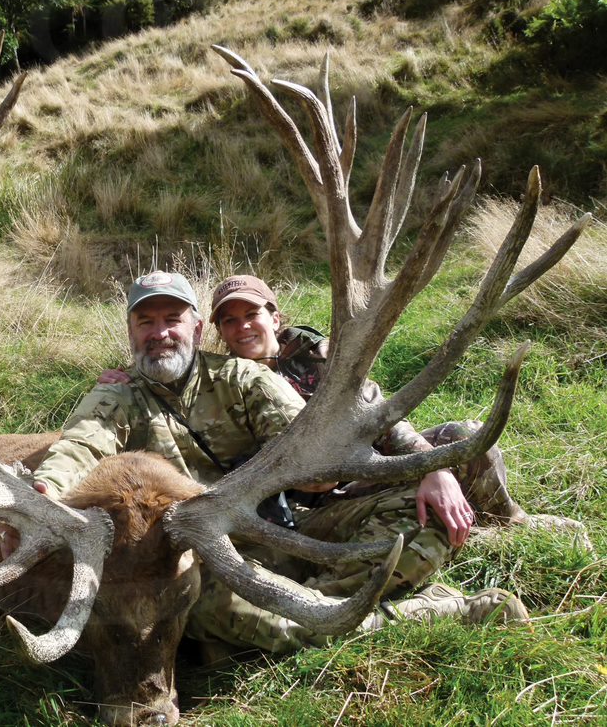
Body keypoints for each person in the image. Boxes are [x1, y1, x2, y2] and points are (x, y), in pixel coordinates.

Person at [34, 270, 527, 656]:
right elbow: (80, 443)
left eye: (172, 319)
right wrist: (45, 491)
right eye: (146, 322)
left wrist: (422, 469)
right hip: (210, 558)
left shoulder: (243, 377)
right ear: (131, 331)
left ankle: (307, 610)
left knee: (426, 508)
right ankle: (430, 612)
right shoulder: (116, 397)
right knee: (189, 601)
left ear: (196, 329)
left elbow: (310, 445)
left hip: (294, 526)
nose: (160, 333)